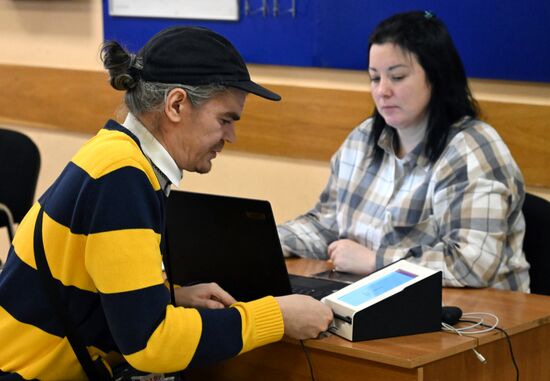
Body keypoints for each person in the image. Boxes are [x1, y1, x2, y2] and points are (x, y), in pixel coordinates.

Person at [0, 26, 332, 380]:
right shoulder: (122, 176)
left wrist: (171, 296)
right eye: (225, 120)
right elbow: (151, 346)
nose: (231, 137)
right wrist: (278, 317)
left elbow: (97, 287)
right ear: (175, 105)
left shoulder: (114, 152)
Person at [278, 11, 530, 291]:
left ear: (436, 77)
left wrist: (376, 261)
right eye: (375, 78)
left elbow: (471, 265)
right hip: (375, 297)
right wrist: (267, 241)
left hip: (476, 316)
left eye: (397, 77)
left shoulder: (471, 149)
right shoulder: (362, 139)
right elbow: (326, 227)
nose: (382, 91)